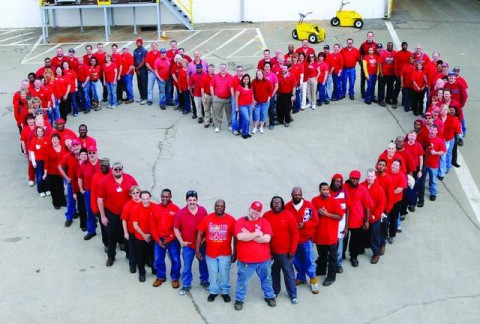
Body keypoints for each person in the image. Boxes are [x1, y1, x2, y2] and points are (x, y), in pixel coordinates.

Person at [233, 201, 276, 311]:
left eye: (258, 211)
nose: (255, 212)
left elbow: (267, 239)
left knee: (266, 279)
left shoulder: (264, 222)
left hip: (263, 260)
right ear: (249, 208)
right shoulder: (240, 221)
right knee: (242, 280)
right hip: (246, 261)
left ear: (260, 212)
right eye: (253, 209)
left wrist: (249, 234)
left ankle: (269, 296)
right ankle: (239, 299)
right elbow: (240, 237)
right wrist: (257, 233)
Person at [97, 162, 138, 267]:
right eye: (116, 169)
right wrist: (102, 216)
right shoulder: (105, 181)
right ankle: (111, 257)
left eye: (120, 169)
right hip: (112, 213)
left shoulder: (130, 179)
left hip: (127, 214)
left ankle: (130, 255)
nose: (118, 171)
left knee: (128, 235)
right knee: (111, 236)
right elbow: (100, 199)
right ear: (112, 170)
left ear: (122, 169)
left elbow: (137, 193)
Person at [196, 199, 236, 302]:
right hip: (211, 254)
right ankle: (213, 291)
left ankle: (225, 292)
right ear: (214, 206)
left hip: (225, 253)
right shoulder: (207, 219)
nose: (219, 207)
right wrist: (197, 250)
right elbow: (200, 234)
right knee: (213, 273)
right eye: (217, 206)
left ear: (224, 207)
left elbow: (236, 237)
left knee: (224, 274)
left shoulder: (231, 220)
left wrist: (235, 253)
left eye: (221, 206)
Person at [263, 196, 299, 304]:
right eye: (274, 203)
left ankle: (293, 294)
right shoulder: (266, 215)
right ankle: (275, 291)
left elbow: (295, 234)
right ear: (271, 204)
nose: (276, 205)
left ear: (282, 204)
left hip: (286, 253)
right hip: (272, 252)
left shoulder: (288, 215)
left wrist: (292, 250)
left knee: (288, 274)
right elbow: (259, 226)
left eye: (278, 203)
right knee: (274, 273)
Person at [285, 187, 320, 294]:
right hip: (293, 240)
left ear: (302, 195)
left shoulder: (309, 205)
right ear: (291, 195)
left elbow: (315, 220)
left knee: (309, 260)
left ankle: (313, 280)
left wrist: (304, 224)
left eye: (299, 195)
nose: (297, 197)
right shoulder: (287, 207)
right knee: (296, 260)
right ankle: (301, 277)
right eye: (295, 195)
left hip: (306, 239)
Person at [174, 190, 209, 295]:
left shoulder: (203, 211)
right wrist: (181, 241)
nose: (192, 202)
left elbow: (207, 226)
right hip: (188, 245)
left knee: (204, 264)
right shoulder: (180, 213)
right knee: (187, 266)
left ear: (197, 200)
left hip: (201, 244)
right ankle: (186, 284)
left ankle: (204, 281)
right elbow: (176, 228)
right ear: (186, 200)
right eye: (190, 200)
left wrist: (206, 237)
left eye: (194, 200)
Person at [312, 182, 343, 286]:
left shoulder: (334, 202)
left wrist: (327, 214)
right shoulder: (315, 200)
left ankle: (331, 277)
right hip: (320, 235)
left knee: (332, 257)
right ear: (319, 190)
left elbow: (340, 216)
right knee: (322, 255)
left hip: (331, 235)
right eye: (323, 189)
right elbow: (311, 215)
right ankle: (321, 270)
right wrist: (318, 212)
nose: (325, 191)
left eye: (327, 189)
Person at [151, 189, 181, 288]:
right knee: (158, 259)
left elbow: (177, 227)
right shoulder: (156, 208)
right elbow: (153, 226)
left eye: (167, 196)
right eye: (163, 196)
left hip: (172, 240)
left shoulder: (176, 209)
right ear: (161, 196)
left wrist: (169, 239)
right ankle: (161, 277)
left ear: (170, 197)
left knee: (175, 259)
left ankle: (175, 278)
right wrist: (158, 240)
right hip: (159, 239)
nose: (164, 198)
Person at [344, 170, 372, 267]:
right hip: (344, 220)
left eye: (357, 179)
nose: (355, 181)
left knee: (355, 241)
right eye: (353, 178)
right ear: (350, 178)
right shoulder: (344, 187)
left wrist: (367, 221)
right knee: (344, 239)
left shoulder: (363, 189)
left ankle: (353, 256)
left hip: (358, 220)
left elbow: (367, 206)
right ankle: (342, 255)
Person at [361, 169, 386, 263]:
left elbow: (381, 204)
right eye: (368, 176)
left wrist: (375, 215)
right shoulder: (361, 186)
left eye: (371, 176)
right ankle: (362, 247)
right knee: (363, 232)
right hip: (363, 216)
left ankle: (376, 253)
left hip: (375, 217)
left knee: (375, 234)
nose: (369, 178)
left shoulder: (379, 189)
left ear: (375, 177)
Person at [132, 190, 156, 282]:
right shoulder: (136, 208)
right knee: (140, 256)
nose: (145, 201)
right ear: (140, 198)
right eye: (143, 199)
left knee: (153, 254)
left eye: (147, 199)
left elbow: (157, 222)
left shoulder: (155, 207)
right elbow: (135, 225)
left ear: (150, 198)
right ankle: (142, 273)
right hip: (140, 237)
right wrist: (144, 235)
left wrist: (150, 234)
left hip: (152, 236)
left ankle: (154, 268)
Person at [77, 145, 101, 240]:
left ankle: (107, 234)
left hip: (100, 194)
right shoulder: (84, 164)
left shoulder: (102, 164)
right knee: (89, 212)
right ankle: (91, 231)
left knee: (103, 213)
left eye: (93, 152)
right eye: (90, 153)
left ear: (97, 152)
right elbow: (79, 177)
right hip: (88, 192)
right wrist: (81, 189)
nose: (91, 154)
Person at [58, 138, 81, 227]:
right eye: (73, 146)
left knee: (83, 201)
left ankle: (84, 215)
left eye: (77, 145)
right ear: (71, 148)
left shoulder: (84, 155)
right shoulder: (68, 156)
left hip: (82, 183)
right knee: (70, 201)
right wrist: (66, 177)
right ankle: (69, 217)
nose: (75, 147)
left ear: (80, 146)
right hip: (71, 182)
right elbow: (60, 166)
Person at [329, 174, 348, 273]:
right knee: (329, 245)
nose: (338, 183)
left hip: (341, 224)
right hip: (329, 225)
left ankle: (338, 264)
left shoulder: (344, 192)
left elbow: (347, 210)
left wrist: (346, 227)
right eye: (336, 181)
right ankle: (329, 262)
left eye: (340, 181)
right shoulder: (327, 192)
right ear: (332, 181)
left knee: (339, 247)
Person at [90, 158, 111, 251]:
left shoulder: (113, 174)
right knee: (104, 227)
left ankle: (120, 242)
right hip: (101, 207)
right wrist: (95, 209)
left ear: (109, 165)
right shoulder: (96, 177)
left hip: (112, 207)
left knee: (116, 227)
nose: (104, 167)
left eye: (105, 165)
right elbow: (93, 194)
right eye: (102, 165)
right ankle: (106, 244)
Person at [422, 124, 446, 202]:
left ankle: (433, 193)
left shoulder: (439, 141)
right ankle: (421, 191)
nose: (432, 131)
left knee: (433, 180)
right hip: (425, 163)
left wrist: (435, 153)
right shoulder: (425, 137)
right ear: (429, 129)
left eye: (434, 130)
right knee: (423, 178)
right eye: (431, 130)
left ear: (437, 132)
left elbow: (443, 152)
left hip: (433, 165)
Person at [121, 185, 141, 274]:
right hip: (132, 231)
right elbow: (124, 220)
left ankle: (145, 262)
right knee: (132, 250)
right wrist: (126, 233)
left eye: (137, 192)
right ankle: (132, 265)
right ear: (130, 194)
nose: (136, 194)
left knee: (142, 249)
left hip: (142, 232)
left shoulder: (144, 202)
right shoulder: (128, 205)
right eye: (134, 193)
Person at [387, 160, 407, 244]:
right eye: (393, 164)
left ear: (399, 167)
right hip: (386, 200)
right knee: (385, 219)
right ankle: (384, 233)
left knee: (393, 219)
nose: (394, 166)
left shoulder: (402, 176)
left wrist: (388, 192)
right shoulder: (386, 172)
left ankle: (392, 235)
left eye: (396, 165)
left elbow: (399, 189)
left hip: (396, 202)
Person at [43, 133, 66, 209]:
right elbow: (46, 161)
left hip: (61, 172)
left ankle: (62, 201)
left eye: (56, 139)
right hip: (51, 172)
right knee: (53, 188)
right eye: (53, 139)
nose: (54, 141)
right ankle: (56, 203)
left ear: (59, 140)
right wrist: (45, 172)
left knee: (60, 187)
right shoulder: (48, 148)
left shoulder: (63, 148)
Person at [210, 63, 233, 133]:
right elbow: (211, 87)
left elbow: (232, 87)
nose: (223, 69)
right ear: (219, 68)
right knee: (217, 113)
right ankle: (217, 126)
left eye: (224, 67)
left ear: (226, 68)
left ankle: (230, 125)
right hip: (218, 98)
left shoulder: (230, 77)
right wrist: (213, 96)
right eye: (221, 67)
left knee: (229, 113)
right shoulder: (215, 77)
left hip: (228, 99)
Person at [29, 126, 51, 197]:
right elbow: (32, 152)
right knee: (39, 176)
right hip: (38, 161)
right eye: (38, 131)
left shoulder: (47, 139)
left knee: (46, 175)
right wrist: (33, 162)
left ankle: (47, 189)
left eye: (41, 131)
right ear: (36, 132)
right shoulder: (34, 141)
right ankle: (41, 190)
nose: (40, 132)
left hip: (46, 161)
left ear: (43, 132)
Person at [251, 69, 273, 134]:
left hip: (265, 102)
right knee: (256, 114)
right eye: (258, 74)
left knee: (263, 114)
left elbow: (271, 90)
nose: (259, 75)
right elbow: (252, 91)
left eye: (260, 74)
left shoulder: (267, 82)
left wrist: (269, 97)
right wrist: (253, 100)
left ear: (263, 74)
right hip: (257, 102)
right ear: (256, 75)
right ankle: (255, 127)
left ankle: (261, 127)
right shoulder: (254, 81)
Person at [359, 31, 377, 99]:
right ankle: (363, 94)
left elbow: (377, 54)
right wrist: (360, 63)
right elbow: (359, 53)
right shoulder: (363, 44)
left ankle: (371, 93)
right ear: (367, 36)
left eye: (371, 36)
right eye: (369, 36)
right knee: (363, 80)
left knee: (372, 81)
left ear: (373, 36)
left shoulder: (375, 44)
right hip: (364, 65)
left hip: (372, 65)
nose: (370, 37)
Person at [235, 74, 254, 138]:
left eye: (247, 79)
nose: (246, 80)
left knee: (244, 118)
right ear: (242, 80)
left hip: (249, 105)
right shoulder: (239, 87)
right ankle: (244, 133)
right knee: (247, 119)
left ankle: (244, 131)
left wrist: (253, 104)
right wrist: (237, 106)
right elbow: (236, 97)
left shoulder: (251, 86)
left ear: (249, 80)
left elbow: (252, 95)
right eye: (245, 79)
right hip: (242, 106)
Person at [378, 42, 396, 107]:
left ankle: (388, 99)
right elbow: (380, 63)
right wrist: (381, 72)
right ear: (387, 46)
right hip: (383, 74)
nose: (390, 47)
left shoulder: (395, 53)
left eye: (391, 46)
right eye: (389, 46)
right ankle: (381, 100)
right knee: (381, 88)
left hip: (391, 74)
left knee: (390, 87)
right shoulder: (383, 53)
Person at [146, 42, 161, 106]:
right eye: (152, 46)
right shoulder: (149, 54)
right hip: (151, 72)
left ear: (157, 46)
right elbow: (147, 63)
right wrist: (153, 70)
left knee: (160, 86)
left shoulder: (160, 53)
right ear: (151, 47)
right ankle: (150, 99)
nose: (154, 47)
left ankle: (161, 99)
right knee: (150, 87)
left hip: (159, 72)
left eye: (155, 45)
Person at [133, 37, 148, 105]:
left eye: (140, 43)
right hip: (137, 70)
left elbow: (143, 61)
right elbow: (134, 60)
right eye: (137, 43)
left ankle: (145, 98)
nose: (138, 44)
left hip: (143, 70)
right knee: (139, 84)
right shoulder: (135, 50)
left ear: (142, 43)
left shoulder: (144, 50)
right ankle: (141, 97)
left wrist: (137, 68)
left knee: (144, 84)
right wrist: (135, 69)